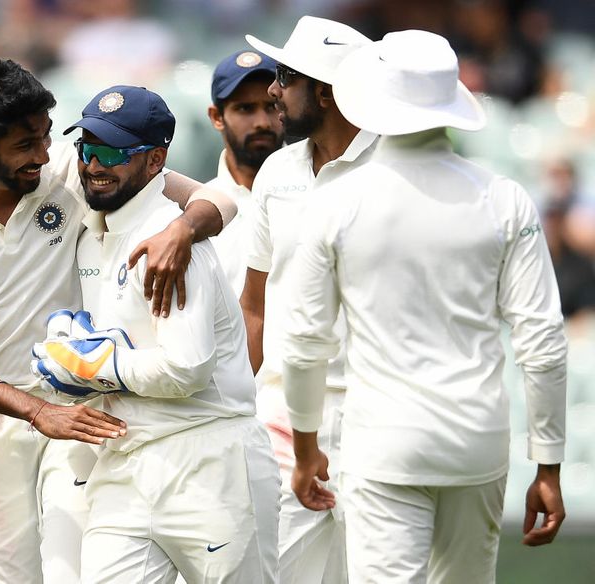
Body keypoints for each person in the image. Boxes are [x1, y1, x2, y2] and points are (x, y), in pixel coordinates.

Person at [0, 59, 235, 584]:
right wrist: (35, 411)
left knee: (73, 571)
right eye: (26, 145)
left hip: (81, 411)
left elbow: (218, 200)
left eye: (47, 136)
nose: (45, 155)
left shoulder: (68, 168)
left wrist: (181, 230)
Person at [283, 30, 567, 584]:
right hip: (477, 445)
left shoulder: (336, 202)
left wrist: (305, 447)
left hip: (383, 444)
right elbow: (543, 343)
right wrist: (549, 464)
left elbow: (304, 343)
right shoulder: (503, 198)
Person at [33, 84, 281, 583]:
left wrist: (93, 365)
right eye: (87, 148)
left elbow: (186, 369)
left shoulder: (170, 240)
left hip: (209, 461)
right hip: (124, 461)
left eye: (112, 153)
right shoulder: (93, 232)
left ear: (155, 161)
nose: (93, 165)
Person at [239, 16, 375, 583]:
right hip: (281, 418)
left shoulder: (393, 167)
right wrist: (245, 411)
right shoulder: (277, 170)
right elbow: (255, 302)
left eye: (284, 77)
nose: (273, 90)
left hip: (376, 415)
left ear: (324, 93)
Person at [206, 49, 284, 295]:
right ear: (217, 117)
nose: (262, 122)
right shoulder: (196, 208)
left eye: (272, 106)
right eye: (245, 109)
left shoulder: (319, 187)